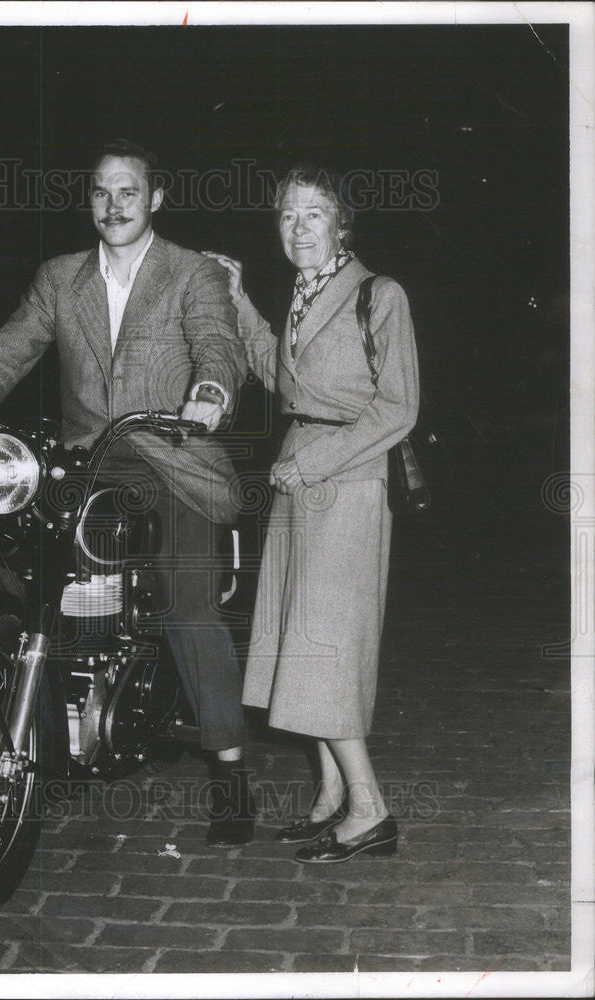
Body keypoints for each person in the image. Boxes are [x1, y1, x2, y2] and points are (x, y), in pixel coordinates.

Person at [0, 139, 254, 846]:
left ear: (155, 199)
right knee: (17, 564)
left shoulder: (191, 272)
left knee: (185, 600)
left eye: (129, 192)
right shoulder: (59, 276)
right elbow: (14, 343)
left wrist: (208, 393)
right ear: (90, 201)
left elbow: (217, 343)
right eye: (103, 193)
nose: (114, 206)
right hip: (86, 460)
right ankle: (36, 718)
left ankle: (229, 770)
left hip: (172, 456)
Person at [204, 163, 419, 862]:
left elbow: (398, 407)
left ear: (342, 223)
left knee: (327, 644)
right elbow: (278, 374)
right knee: (303, 641)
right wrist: (237, 300)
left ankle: (370, 809)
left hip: (347, 481)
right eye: (287, 216)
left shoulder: (378, 294)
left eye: (313, 214)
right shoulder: (302, 294)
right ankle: (330, 797)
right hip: (299, 482)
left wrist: (315, 464)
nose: (298, 228)